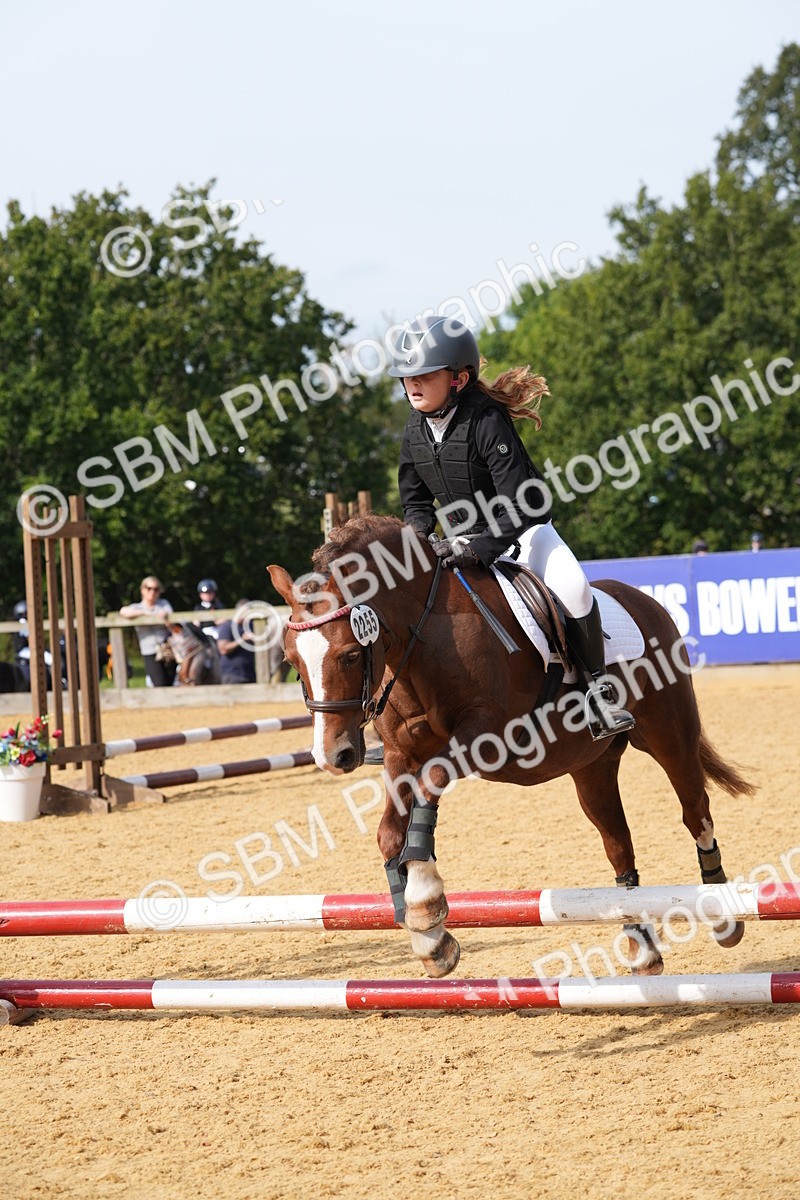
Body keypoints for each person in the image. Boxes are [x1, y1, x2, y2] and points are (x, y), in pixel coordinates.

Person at [390, 315, 635, 740]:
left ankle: (599, 691)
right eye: (408, 376)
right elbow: (415, 502)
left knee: (575, 588)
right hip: (463, 538)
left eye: (425, 375)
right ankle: (395, 718)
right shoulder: (414, 430)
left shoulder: (486, 421)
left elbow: (523, 504)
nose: (413, 384)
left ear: (458, 379)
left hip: (524, 533)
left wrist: (481, 547)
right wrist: (420, 538)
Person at [119, 577, 175, 687]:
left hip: (168, 650)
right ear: (142, 590)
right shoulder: (137, 607)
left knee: (171, 683)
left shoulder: (163, 604)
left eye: (156, 589)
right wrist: (147, 614)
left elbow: (172, 621)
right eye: (149, 588)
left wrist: (166, 618)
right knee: (160, 684)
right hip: (149, 651)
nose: (152, 592)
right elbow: (123, 611)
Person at [215, 599, 257, 684]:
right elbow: (223, 649)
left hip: (251, 675)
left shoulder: (251, 626)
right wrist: (242, 640)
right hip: (232, 675)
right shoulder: (227, 626)